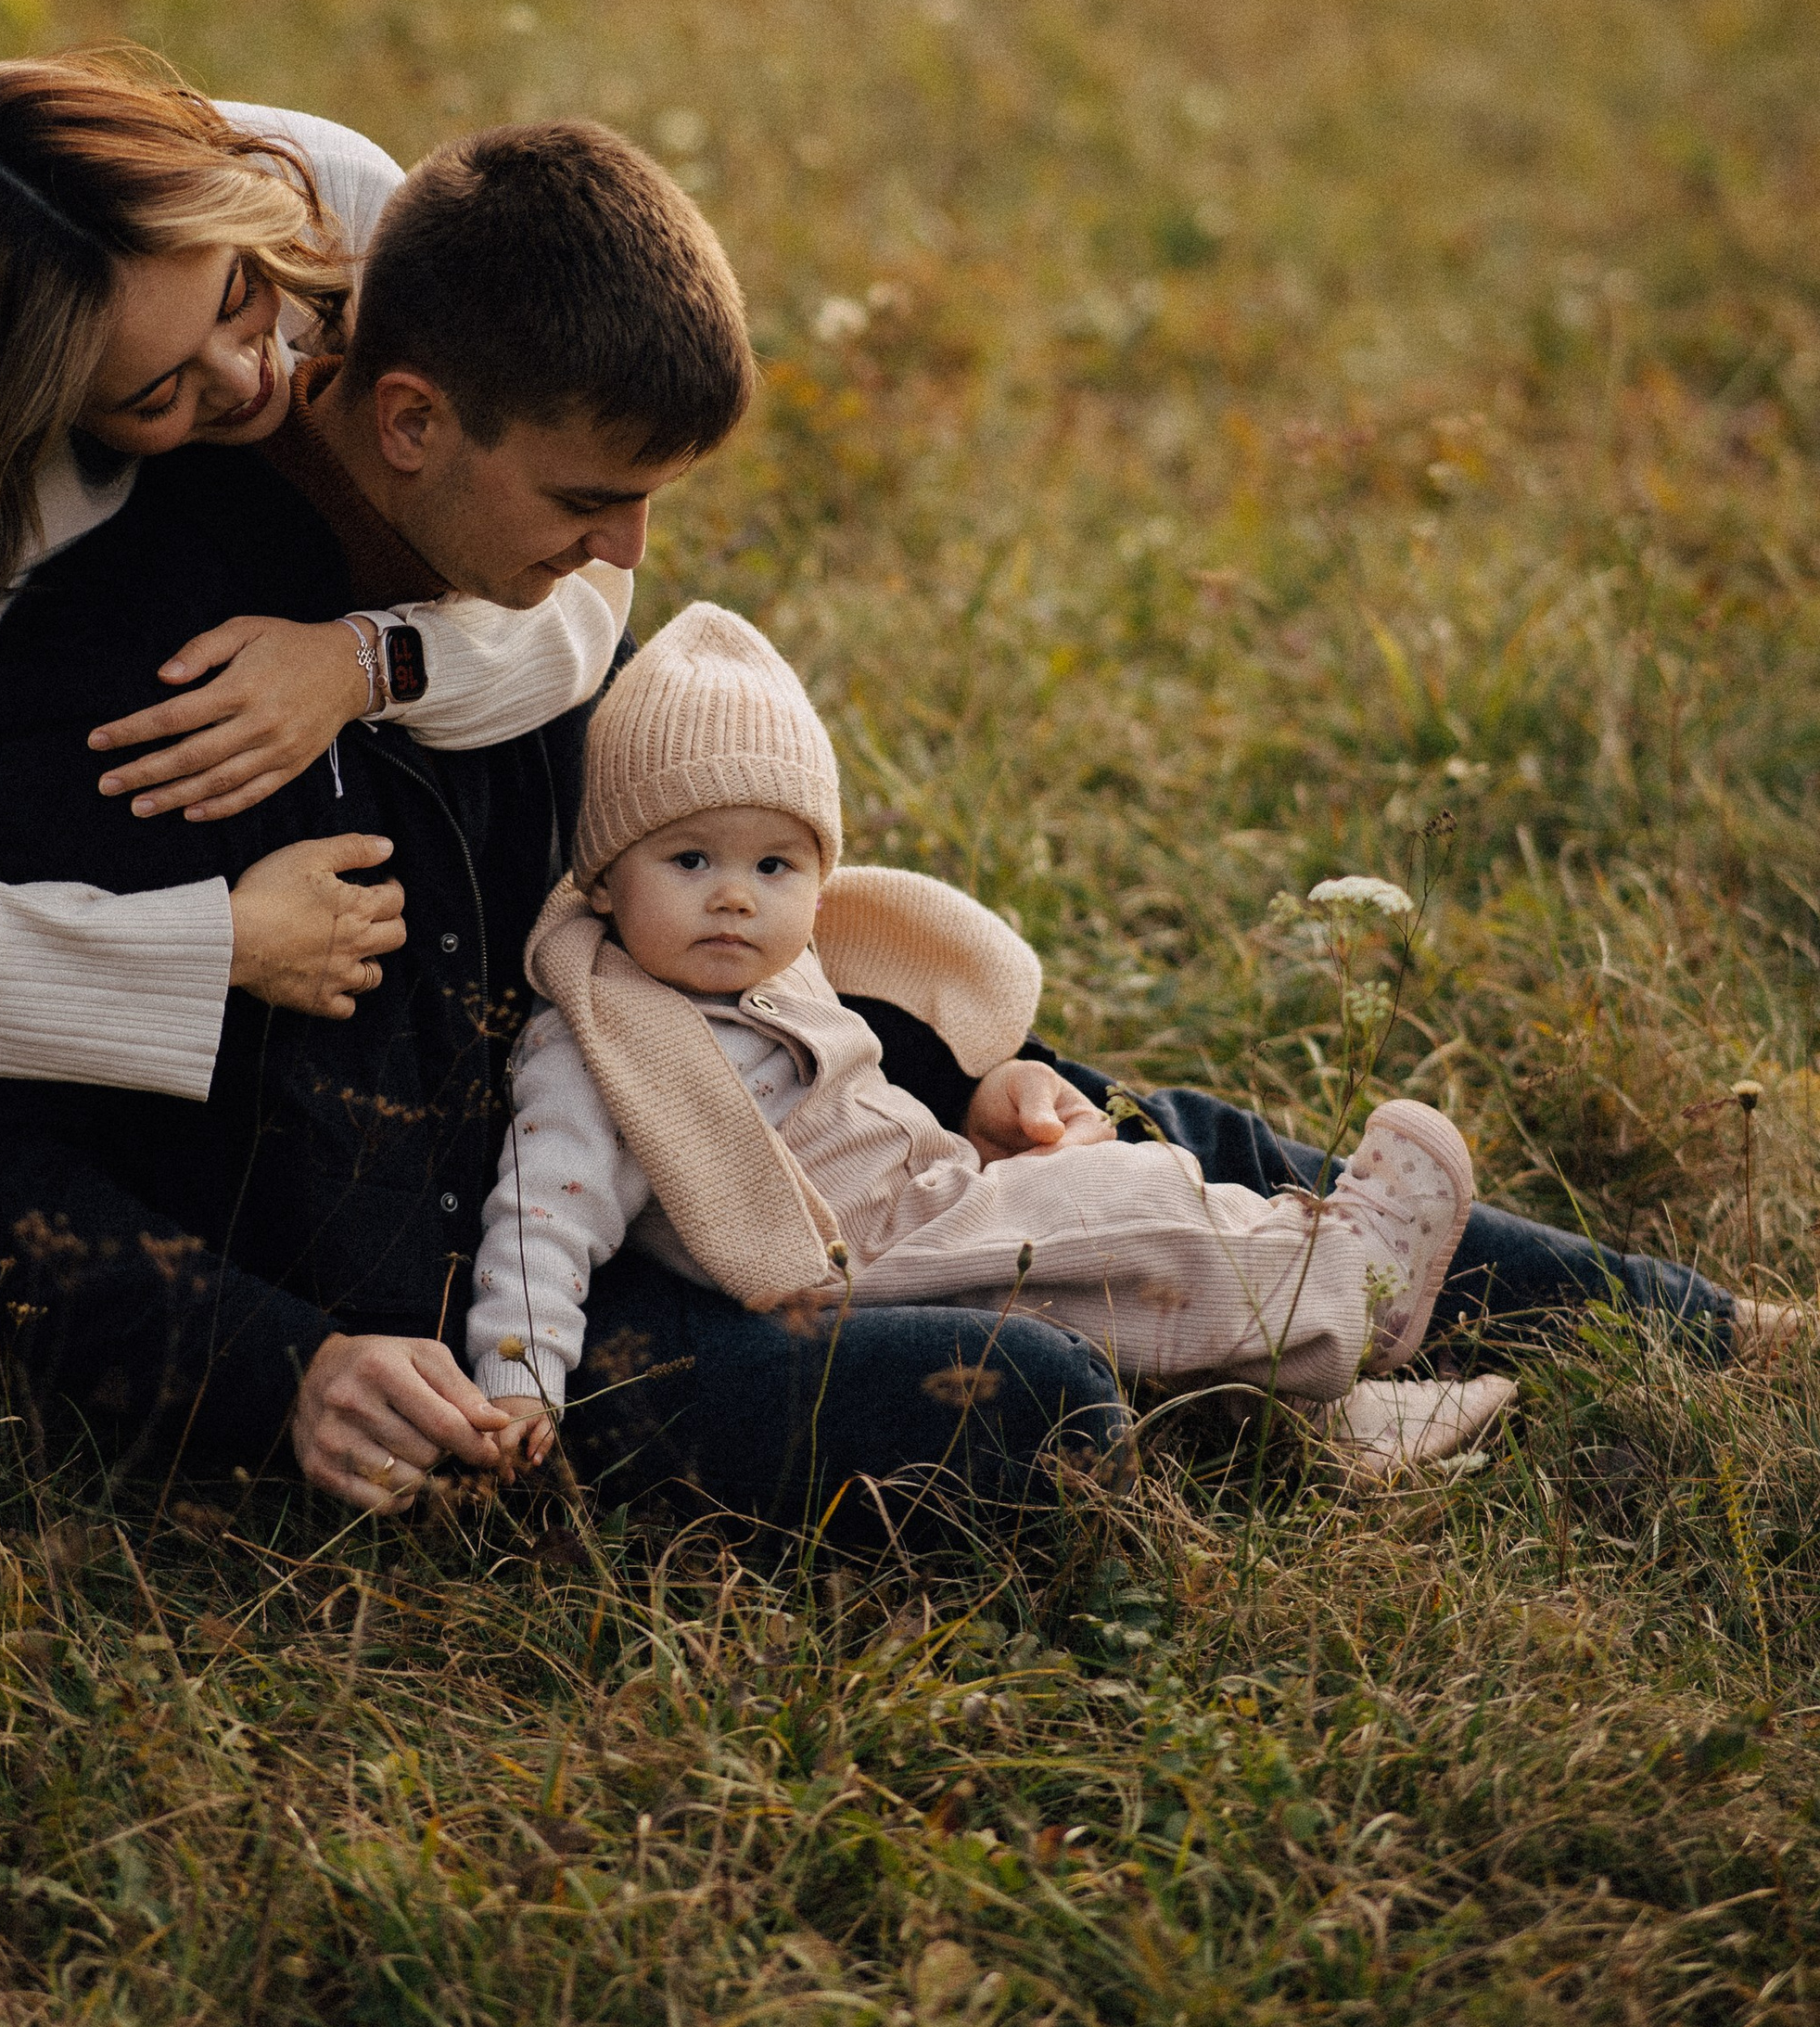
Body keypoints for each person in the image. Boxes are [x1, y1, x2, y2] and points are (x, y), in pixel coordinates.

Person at [0, 122, 1130, 1531]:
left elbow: (703, 905)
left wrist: (980, 1084)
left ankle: (1359, 1271)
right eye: (591, 500)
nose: (626, 551)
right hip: (509, 1352)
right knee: (1033, 1407)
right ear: (410, 422)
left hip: (698, 1156)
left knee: (1147, 1148)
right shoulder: (133, 683)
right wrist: (284, 1372)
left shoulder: (519, 602)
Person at [0, 53, 628, 1342]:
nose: (249, 381)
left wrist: (362, 664)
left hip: (259, 630)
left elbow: (580, 581)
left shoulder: (321, 198)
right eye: (155, 391)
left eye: (241, 306)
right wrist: (215, 947)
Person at [467, 606, 1518, 1480]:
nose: (735, 897)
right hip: (852, 1253)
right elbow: (539, 1216)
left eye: (775, 867)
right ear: (603, 878)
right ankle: (1352, 1284)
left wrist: (991, 1086)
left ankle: (1324, 1422)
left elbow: (891, 1052)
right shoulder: (598, 1035)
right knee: (1125, 1211)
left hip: (924, 1194)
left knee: (1112, 1255)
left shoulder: (769, 962)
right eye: (689, 860)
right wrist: (516, 1378)